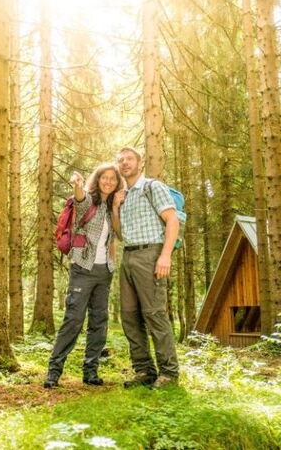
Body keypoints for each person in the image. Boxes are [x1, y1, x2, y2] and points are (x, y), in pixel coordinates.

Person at [43, 163, 124, 388]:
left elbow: (117, 236)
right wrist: (78, 185)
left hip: (103, 272)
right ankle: (53, 372)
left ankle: (90, 372)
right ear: (97, 180)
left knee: (99, 322)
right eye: (104, 178)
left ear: (117, 183)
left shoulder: (111, 207)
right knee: (74, 319)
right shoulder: (89, 200)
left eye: (113, 179)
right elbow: (79, 199)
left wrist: (116, 207)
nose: (108, 181)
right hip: (83, 268)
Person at [112, 147, 180, 389]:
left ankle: (169, 374)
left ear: (139, 163)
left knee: (154, 314)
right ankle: (144, 371)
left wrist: (165, 255)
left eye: (129, 159)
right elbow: (120, 236)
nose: (124, 163)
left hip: (151, 253)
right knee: (130, 316)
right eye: (120, 160)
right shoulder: (125, 195)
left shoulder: (153, 187)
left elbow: (172, 220)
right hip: (129, 257)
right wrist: (115, 208)